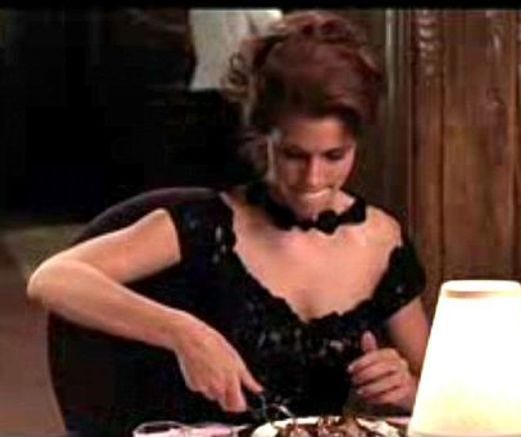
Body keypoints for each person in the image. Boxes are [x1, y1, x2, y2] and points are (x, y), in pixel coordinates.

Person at [27, 9, 430, 433]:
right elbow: (53, 278)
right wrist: (183, 332)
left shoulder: (382, 241)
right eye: (293, 155)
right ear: (263, 137)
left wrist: (406, 390)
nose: (313, 179)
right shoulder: (209, 225)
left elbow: (437, 392)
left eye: (334, 156)